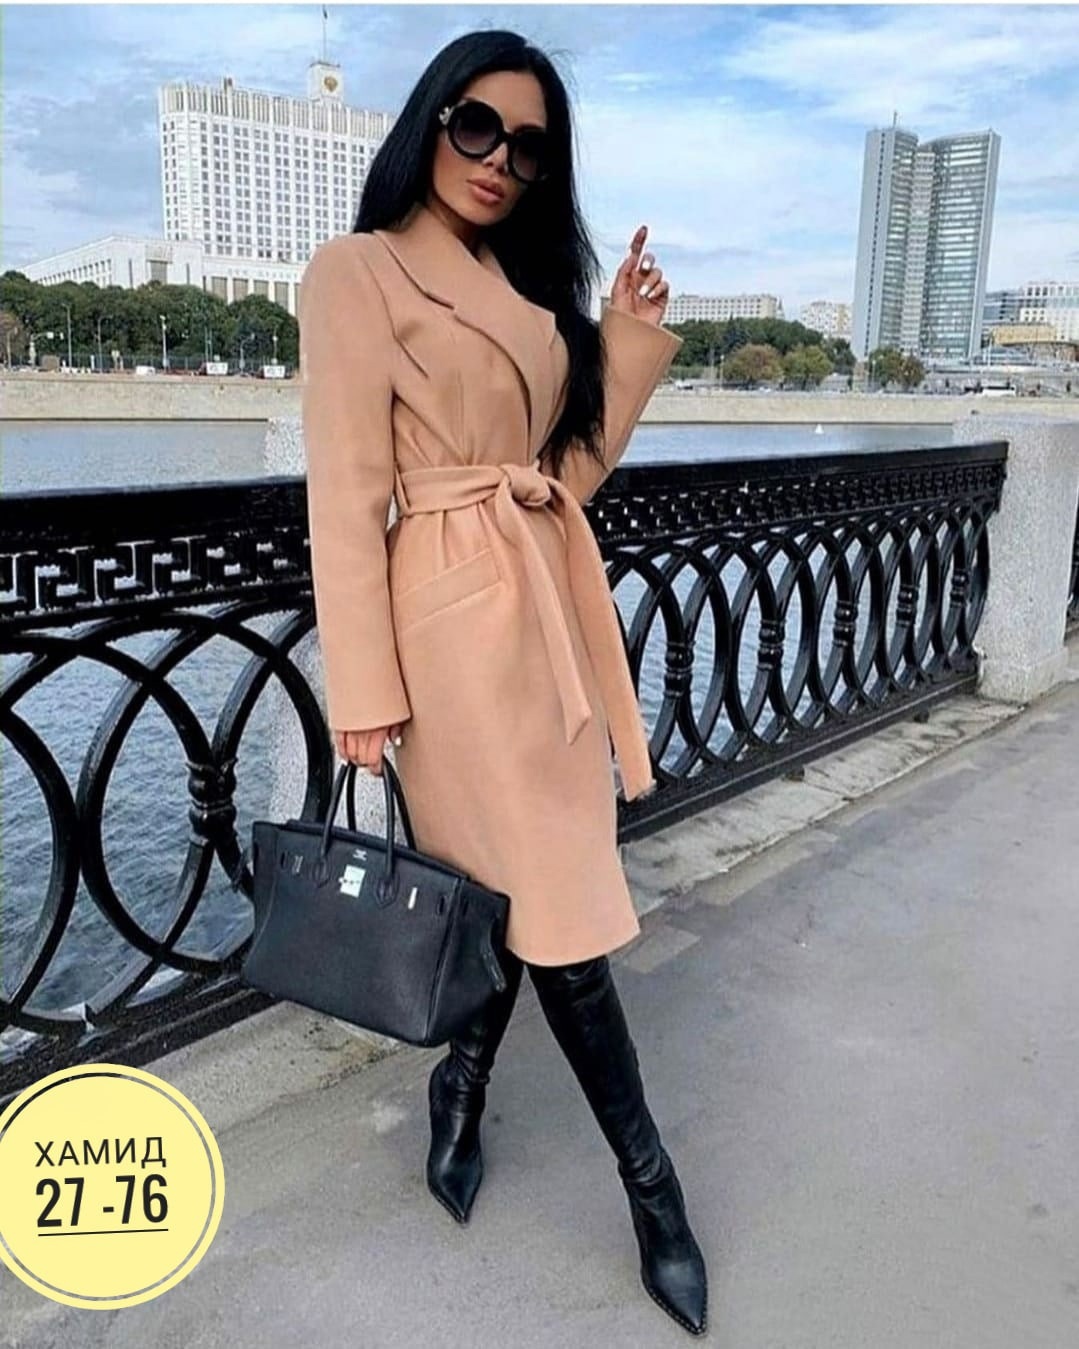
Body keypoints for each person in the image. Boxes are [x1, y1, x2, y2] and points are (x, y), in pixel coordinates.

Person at [298, 29, 706, 1338]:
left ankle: (461, 1087)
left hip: (541, 624)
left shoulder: (527, 299)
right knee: (562, 919)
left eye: (528, 148)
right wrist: (362, 687)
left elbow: (561, 480)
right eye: (477, 127)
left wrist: (622, 339)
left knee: (516, 895)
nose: (498, 161)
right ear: (431, 120)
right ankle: (654, 1194)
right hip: (446, 639)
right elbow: (345, 496)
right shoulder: (357, 272)